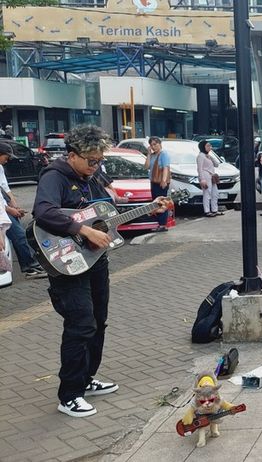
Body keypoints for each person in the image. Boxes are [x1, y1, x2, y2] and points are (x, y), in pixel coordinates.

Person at [34, 125, 155, 417]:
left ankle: (86, 379)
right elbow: (43, 211)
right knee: (81, 324)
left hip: (94, 260)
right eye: (90, 160)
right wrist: (83, 230)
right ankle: (69, 395)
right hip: (67, 262)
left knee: (98, 321)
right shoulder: (55, 176)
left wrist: (149, 208)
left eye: (99, 160)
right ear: (72, 155)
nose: (96, 165)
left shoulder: (93, 177)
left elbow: (105, 214)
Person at [0, 143, 46, 278]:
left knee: (21, 235)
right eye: (6, 157)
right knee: (19, 236)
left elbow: (5, 188)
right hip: (2, 210)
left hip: (5, 207)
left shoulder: (0, 168)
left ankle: (31, 264)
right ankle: (30, 267)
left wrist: (14, 206)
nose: (7, 160)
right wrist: (9, 210)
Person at [146, 136, 170, 232]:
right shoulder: (152, 155)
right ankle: (160, 224)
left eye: (155, 144)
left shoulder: (163, 154)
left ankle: (163, 224)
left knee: (161, 202)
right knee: (156, 203)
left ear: (160, 144)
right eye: (151, 145)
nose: (153, 147)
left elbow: (166, 168)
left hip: (160, 182)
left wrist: (163, 180)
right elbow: (146, 166)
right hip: (153, 182)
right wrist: (148, 154)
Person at [196, 140, 222, 218]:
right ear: (203, 147)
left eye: (210, 146)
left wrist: (210, 156)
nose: (210, 147)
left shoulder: (207, 156)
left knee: (215, 193)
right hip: (205, 174)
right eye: (207, 146)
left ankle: (215, 209)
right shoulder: (200, 156)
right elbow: (199, 168)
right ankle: (207, 210)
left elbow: (216, 164)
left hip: (212, 175)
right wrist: (202, 179)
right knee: (207, 193)